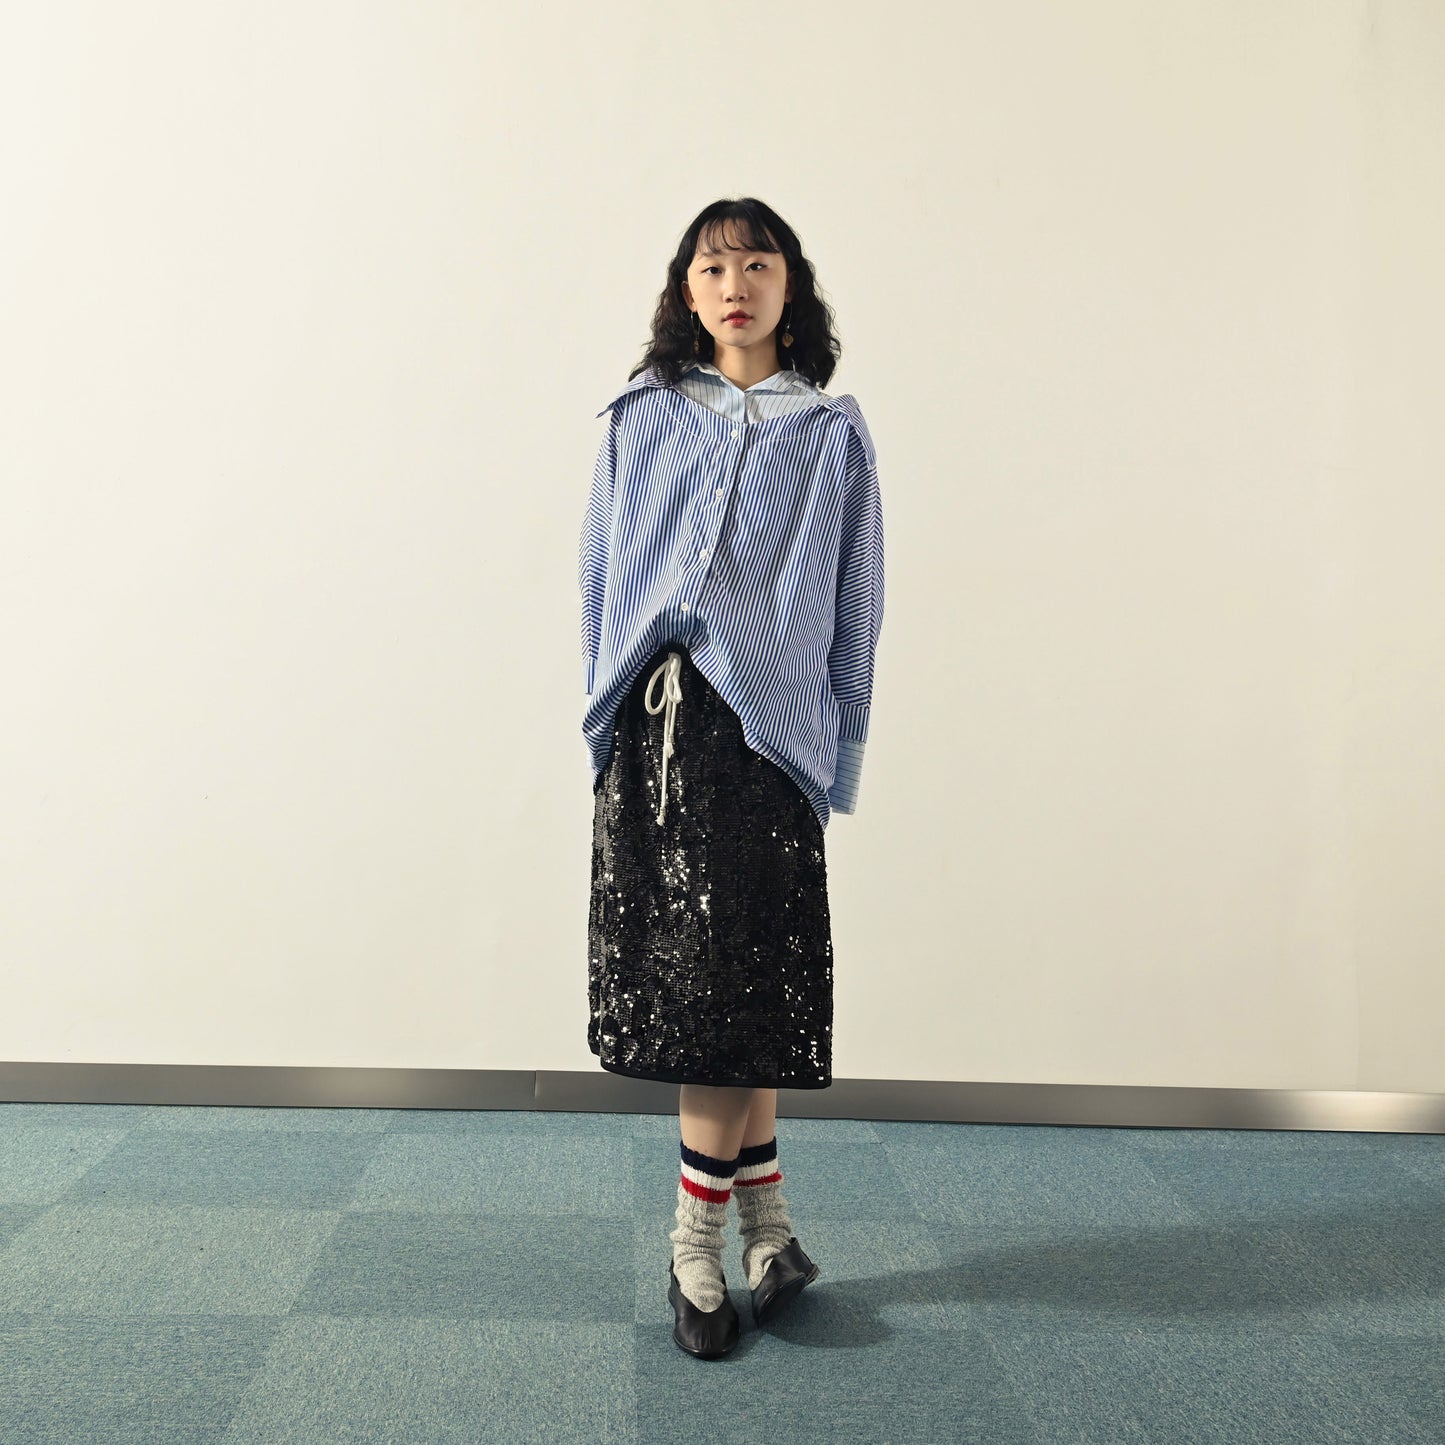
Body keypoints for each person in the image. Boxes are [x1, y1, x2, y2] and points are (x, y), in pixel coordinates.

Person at [578, 198, 885, 1359]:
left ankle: (765, 1236)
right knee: (711, 1000)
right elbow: (600, 576)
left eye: (757, 262)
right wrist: (605, 721)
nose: (735, 283)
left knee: (751, 989)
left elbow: (856, 602)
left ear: (788, 285)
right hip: (664, 735)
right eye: (713, 266)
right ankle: (699, 1251)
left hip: (776, 741)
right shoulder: (640, 418)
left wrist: (832, 750)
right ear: (686, 291)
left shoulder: (832, 434)